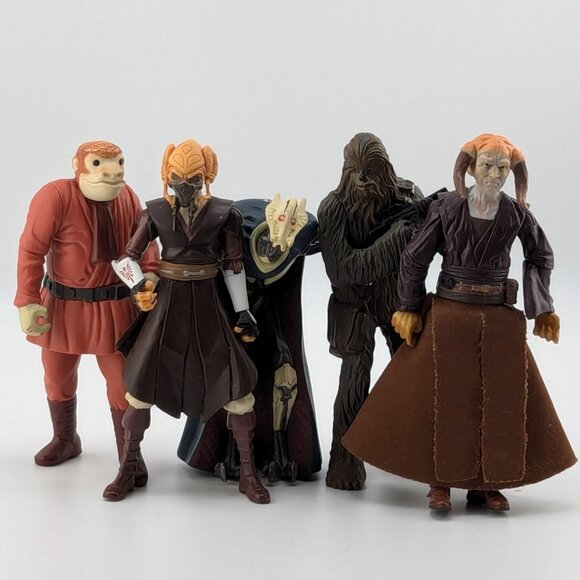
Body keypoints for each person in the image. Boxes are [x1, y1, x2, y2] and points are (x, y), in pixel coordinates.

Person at [343, 134, 576, 511]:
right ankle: (440, 482)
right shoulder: (448, 208)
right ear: (470, 168)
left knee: (502, 399)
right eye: (487, 165)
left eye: (503, 168)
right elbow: (414, 258)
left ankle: (490, 482)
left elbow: (540, 255)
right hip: (450, 313)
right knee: (446, 399)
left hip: (499, 317)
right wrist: (408, 306)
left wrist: (542, 307)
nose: (494, 174)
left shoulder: (515, 213)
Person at [104, 139, 270, 504]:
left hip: (210, 304)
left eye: (193, 179)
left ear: (206, 177)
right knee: (140, 386)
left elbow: (233, 265)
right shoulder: (154, 213)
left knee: (236, 388)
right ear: (167, 176)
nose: (185, 187)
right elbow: (127, 258)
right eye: (177, 178)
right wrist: (138, 287)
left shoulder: (225, 214)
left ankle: (248, 473)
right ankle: (128, 466)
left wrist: (242, 310)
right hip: (168, 306)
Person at [15, 141, 159, 472]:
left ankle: (129, 455)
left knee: (122, 382)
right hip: (64, 306)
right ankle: (65, 438)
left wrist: (150, 274)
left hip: (114, 305)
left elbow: (146, 240)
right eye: (98, 164)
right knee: (57, 376)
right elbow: (31, 249)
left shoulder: (128, 197)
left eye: (118, 163)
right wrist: (28, 300)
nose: (112, 172)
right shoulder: (55, 197)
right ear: (77, 165)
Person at [178, 195, 322, 483]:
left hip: (270, 302)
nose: (273, 250)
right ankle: (229, 449)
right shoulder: (236, 233)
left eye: (281, 248)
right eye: (268, 244)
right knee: (230, 376)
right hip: (235, 305)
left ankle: (280, 449)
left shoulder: (302, 236)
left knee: (284, 372)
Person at [318, 133, 429, 490]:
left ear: (386, 169)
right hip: (354, 306)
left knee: (416, 377)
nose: (363, 179)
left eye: (371, 170)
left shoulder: (408, 197)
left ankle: (422, 454)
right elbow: (343, 270)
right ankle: (345, 461)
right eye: (355, 171)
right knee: (354, 384)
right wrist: (394, 241)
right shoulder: (333, 209)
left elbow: (428, 248)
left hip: (400, 301)